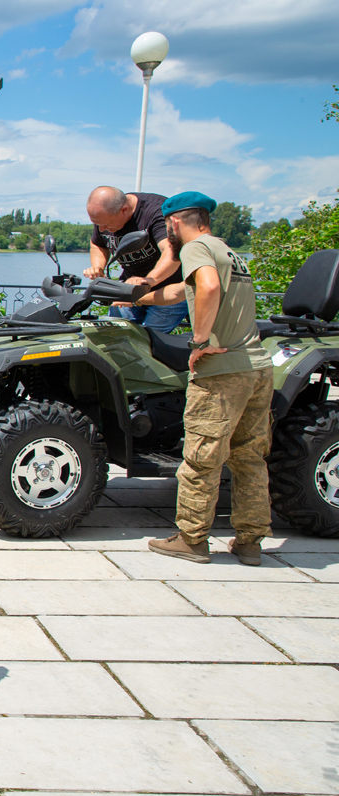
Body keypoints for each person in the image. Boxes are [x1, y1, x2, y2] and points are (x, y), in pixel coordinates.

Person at [136, 192, 273, 566]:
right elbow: (186, 290)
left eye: (167, 228)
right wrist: (141, 297)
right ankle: (250, 542)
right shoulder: (226, 251)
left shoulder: (195, 249)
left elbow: (207, 288)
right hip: (256, 367)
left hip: (222, 373)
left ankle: (192, 539)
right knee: (249, 459)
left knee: (201, 459)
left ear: (175, 222)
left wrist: (198, 341)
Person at [84, 186, 188, 333]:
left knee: (149, 341)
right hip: (130, 289)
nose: (101, 230)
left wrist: (149, 280)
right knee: (115, 334)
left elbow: (173, 252)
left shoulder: (157, 211)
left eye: (106, 225)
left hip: (167, 292)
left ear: (124, 210)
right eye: (98, 225)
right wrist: (98, 267)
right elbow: (97, 243)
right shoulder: (105, 213)